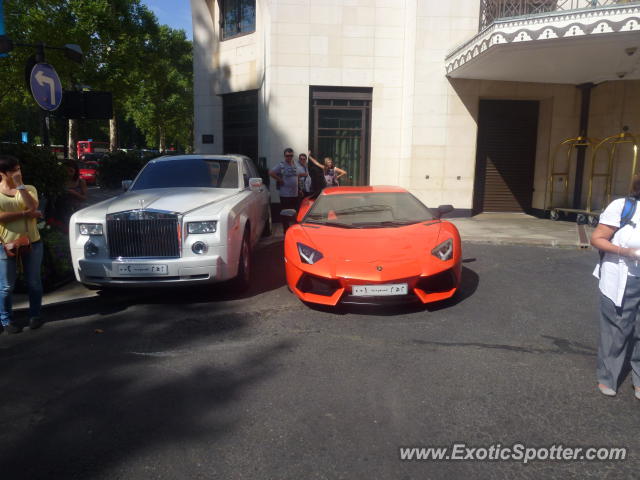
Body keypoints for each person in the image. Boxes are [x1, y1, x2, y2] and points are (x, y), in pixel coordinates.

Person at [591, 177, 640, 398]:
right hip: (623, 276)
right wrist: (626, 252)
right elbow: (597, 238)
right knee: (618, 328)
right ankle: (608, 376)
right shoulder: (623, 207)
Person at [0, 155, 44, 334]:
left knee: (33, 282)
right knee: (6, 286)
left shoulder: (28, 188)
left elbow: (32, 206)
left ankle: (35, 315)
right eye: (14, 171)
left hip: (32, 242)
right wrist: (25, 215)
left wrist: (20, 186)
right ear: (2, 173)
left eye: (19, 169)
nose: (18, 173)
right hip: (5, 243)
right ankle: (5, 319)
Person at [269, 148, 299, 232]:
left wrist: (299, 188)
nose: (289, 157)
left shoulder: (295, 164)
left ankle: (294, 230)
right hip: (285, 194)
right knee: (285, 212)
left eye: (291, 155)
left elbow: (297, 177)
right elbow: (271, 173)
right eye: (287, 156)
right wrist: (280, 179)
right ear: (284, 156)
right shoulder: (281, 165)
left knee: (294, 212)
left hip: (295, 193)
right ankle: (286, 230)